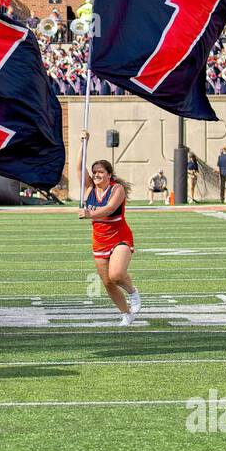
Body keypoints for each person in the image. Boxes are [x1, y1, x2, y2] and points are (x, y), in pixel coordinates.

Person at [77, 136, 140, 326]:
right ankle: (126, 313)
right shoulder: (89, 188)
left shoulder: (117, 189)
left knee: (117, 274)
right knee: (107, 282)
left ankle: (133, 293)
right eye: (95, 172)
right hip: (99, 239)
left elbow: (109, 209)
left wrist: (89, 214)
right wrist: (83, 144)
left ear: (109, 175)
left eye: (101, 172)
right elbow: (80, 168)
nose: (96, 175)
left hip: (120, 237)